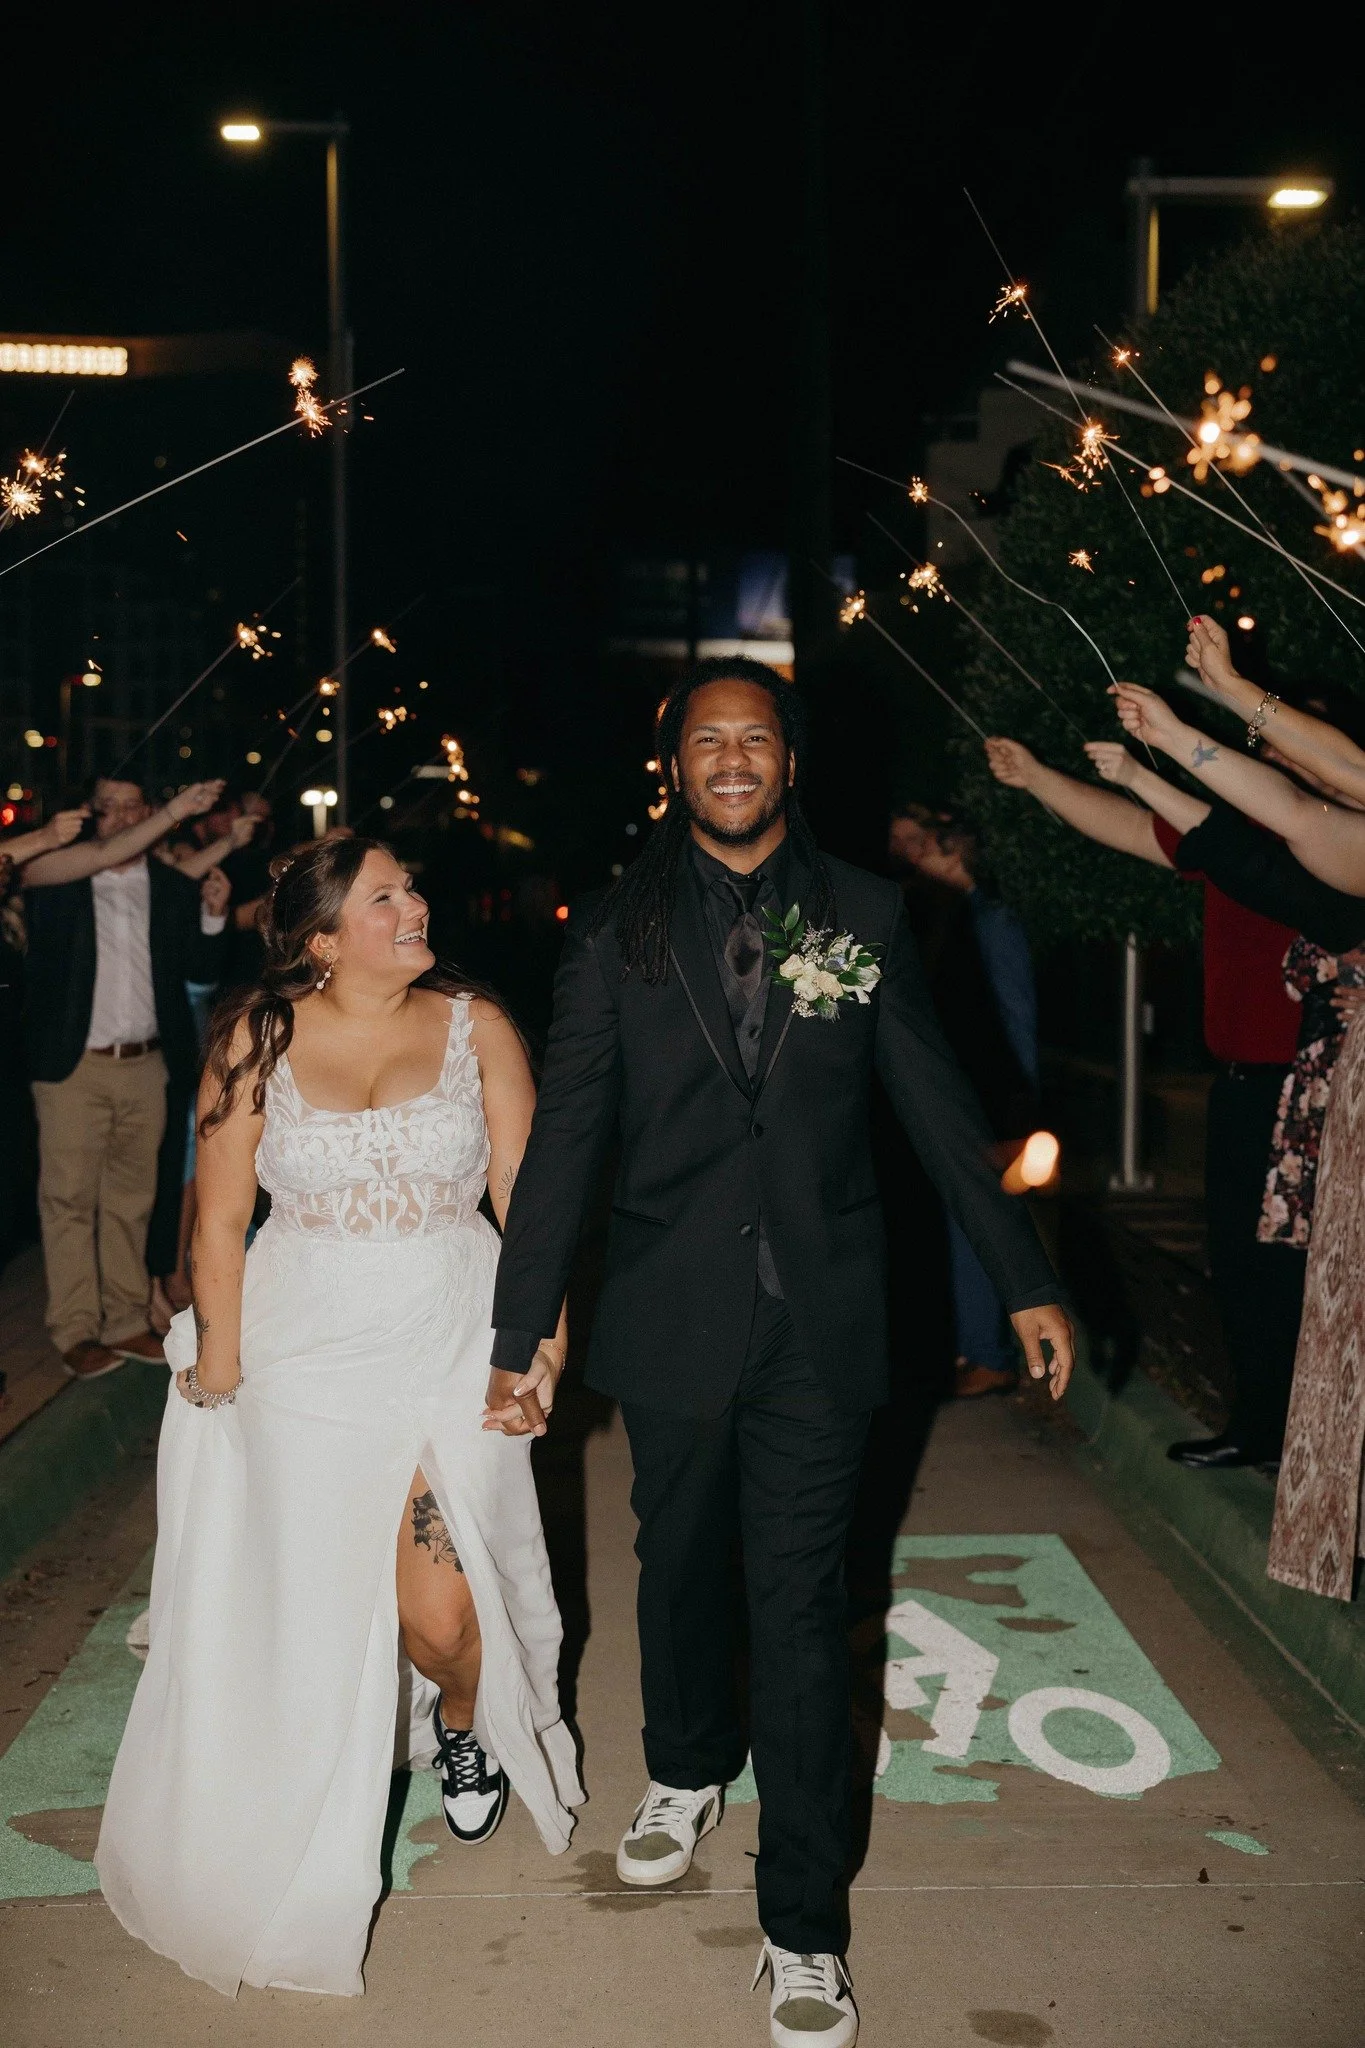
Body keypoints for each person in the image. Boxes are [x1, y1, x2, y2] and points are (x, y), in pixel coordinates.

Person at [489, 657, 1072, 2048]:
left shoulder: (865, 914)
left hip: (824, 1319)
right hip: (672, 1312)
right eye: (708, 741)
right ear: (673, 766)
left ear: (790, 762)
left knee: (804, 1613)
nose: (733, 759)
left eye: (756, 738)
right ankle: (686, 1770)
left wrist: (1026, 1280)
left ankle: (802, 1927)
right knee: (681, 1571)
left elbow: (934, 1106)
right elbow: (566, 1138)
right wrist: (522, 1327)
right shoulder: (613, 929)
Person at [95, 835, 581, 1998]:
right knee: (314, 1606)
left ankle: (462, 1719)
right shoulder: (254, 1041)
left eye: (412, 886)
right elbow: (219, 1221)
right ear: (321, 939)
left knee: (441, 1608)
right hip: (308, 1351)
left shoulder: (479, 1026)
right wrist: (220, 1357)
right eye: (387, 896)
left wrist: (544, 1341)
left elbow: (529, 1196)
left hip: (455, 1332)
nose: (418, 904)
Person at [986, 732, 1304, 1470]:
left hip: (1314, 1087)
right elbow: (1133, 828)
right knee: (1242, 1262)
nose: (1266, 754)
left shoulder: (1324, 831)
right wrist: (1037, 775)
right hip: (1241, 1084)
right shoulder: (1237, 834)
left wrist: (1142, 757)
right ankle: (1259, 1426)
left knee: (1304, 1272)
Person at [21, 777, 229, 1379]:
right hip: (73, 1064)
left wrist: (214, 918)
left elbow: (198, 968)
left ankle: (125, 1318)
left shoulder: (168, 885)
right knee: (68, 1199)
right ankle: (75, 1328)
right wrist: (175, 810)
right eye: (105, 808)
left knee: (132, 1198)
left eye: (129, 807)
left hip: (147, 1061)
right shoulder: (57, 876)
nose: (118, 819)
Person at [888, 803, 1042, 1396]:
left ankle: (989, 1353)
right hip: (964, 1092)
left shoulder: (990, 917)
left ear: (952, 847)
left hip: (989, 1099)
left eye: (917, 841)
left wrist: (1018, 1109)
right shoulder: (945, 914)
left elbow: (1013, 1014)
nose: (908, 854)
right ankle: (973, 1347)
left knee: (974, 1219)